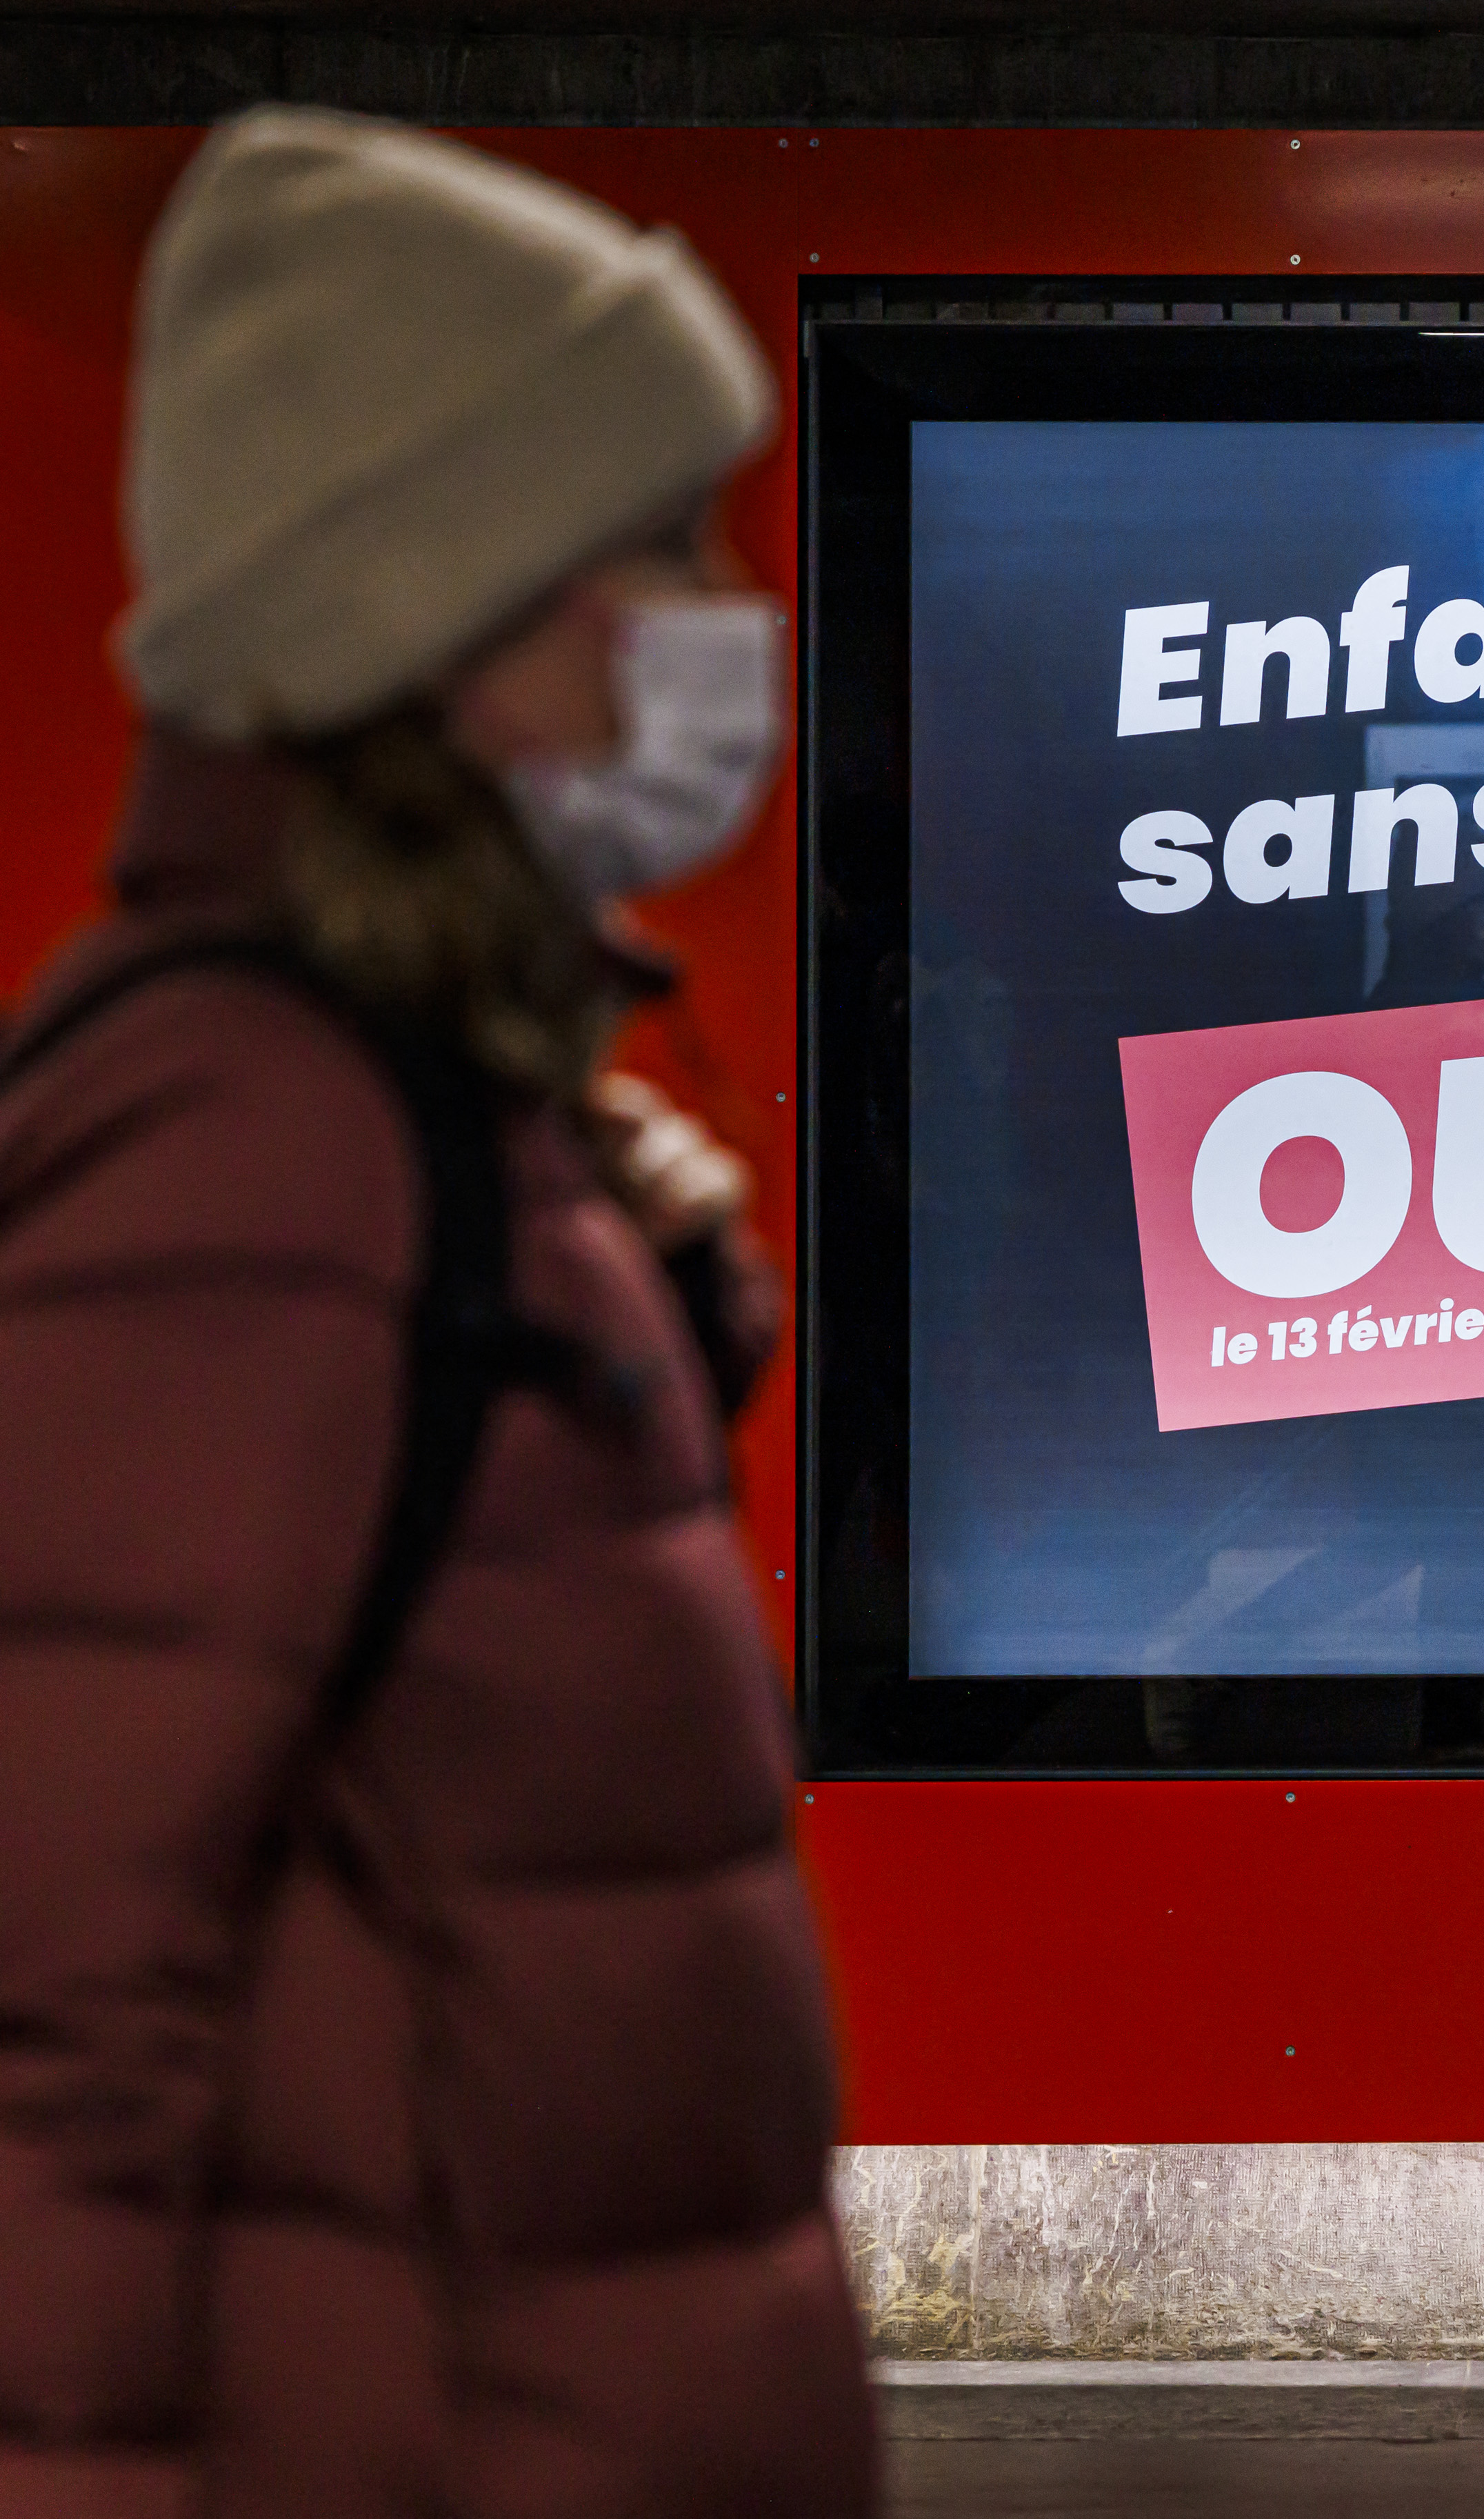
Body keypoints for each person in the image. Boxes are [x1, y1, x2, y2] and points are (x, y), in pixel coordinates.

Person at [0, 110, 873, 2513]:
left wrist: (648, 1338)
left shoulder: (435, 1109)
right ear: (442, 607)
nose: (724, 607)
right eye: (657, 548)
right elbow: (51, 1986)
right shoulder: (246, 1130)